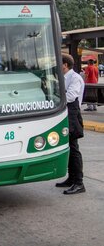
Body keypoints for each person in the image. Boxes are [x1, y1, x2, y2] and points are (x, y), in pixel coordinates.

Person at [55, 53, 86, 195]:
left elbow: (70, 96)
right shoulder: (63, 78)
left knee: (74, 149)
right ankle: (71, 178)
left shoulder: (75, 78)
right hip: (65, 115)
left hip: (72, 116)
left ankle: (79, 183)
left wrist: (55, 101)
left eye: (59, 63)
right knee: (67, 147)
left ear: (65, 65)